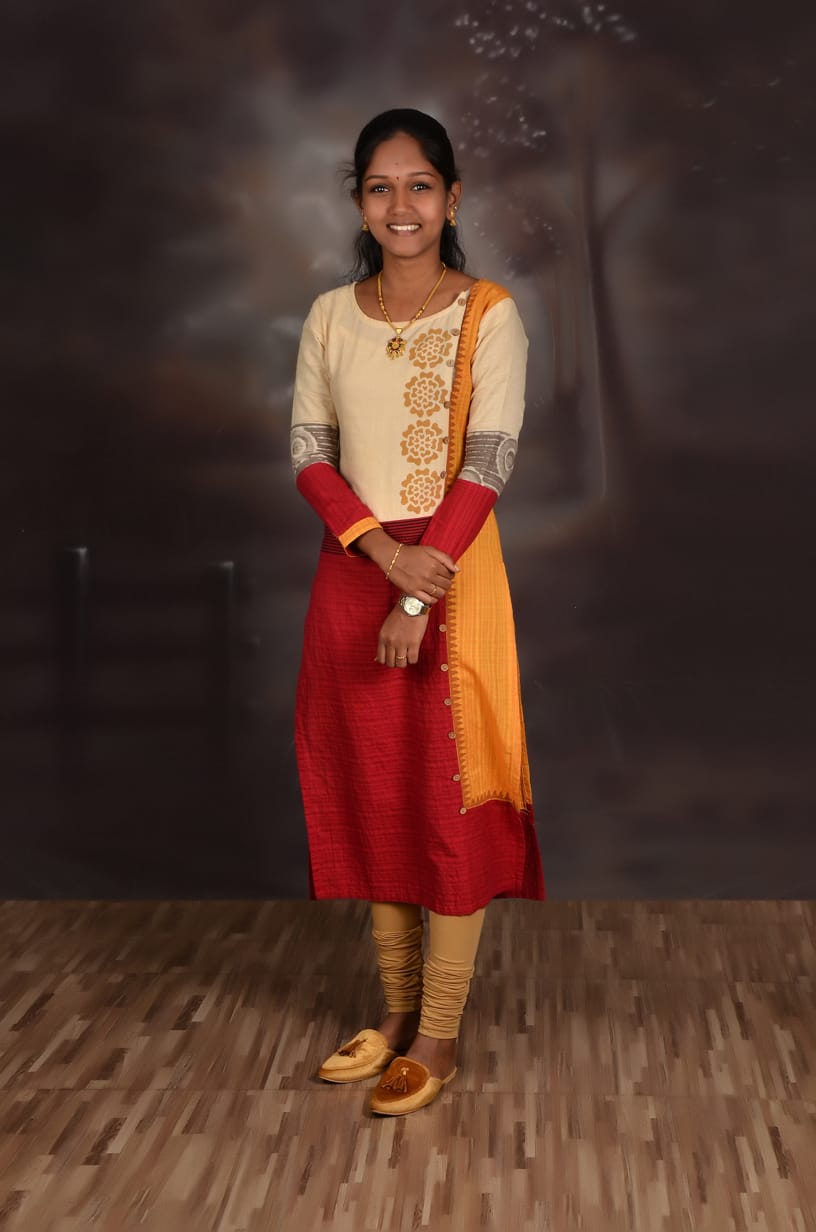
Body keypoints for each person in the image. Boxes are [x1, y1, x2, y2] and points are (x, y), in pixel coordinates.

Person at [290, 108, 546, 1117]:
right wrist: (380, 554)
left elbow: (489, 462)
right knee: (374, 790)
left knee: (444, 794)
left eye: (420, 185)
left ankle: (438, 1034)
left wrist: (412, 584)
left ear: (453, 197)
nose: (401, 206)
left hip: (452, 571)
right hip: (354, 565)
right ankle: (395, 1014)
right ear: (360, 201)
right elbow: (310, 454)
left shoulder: (490, 313)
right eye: (380, 187)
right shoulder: (328, 314)